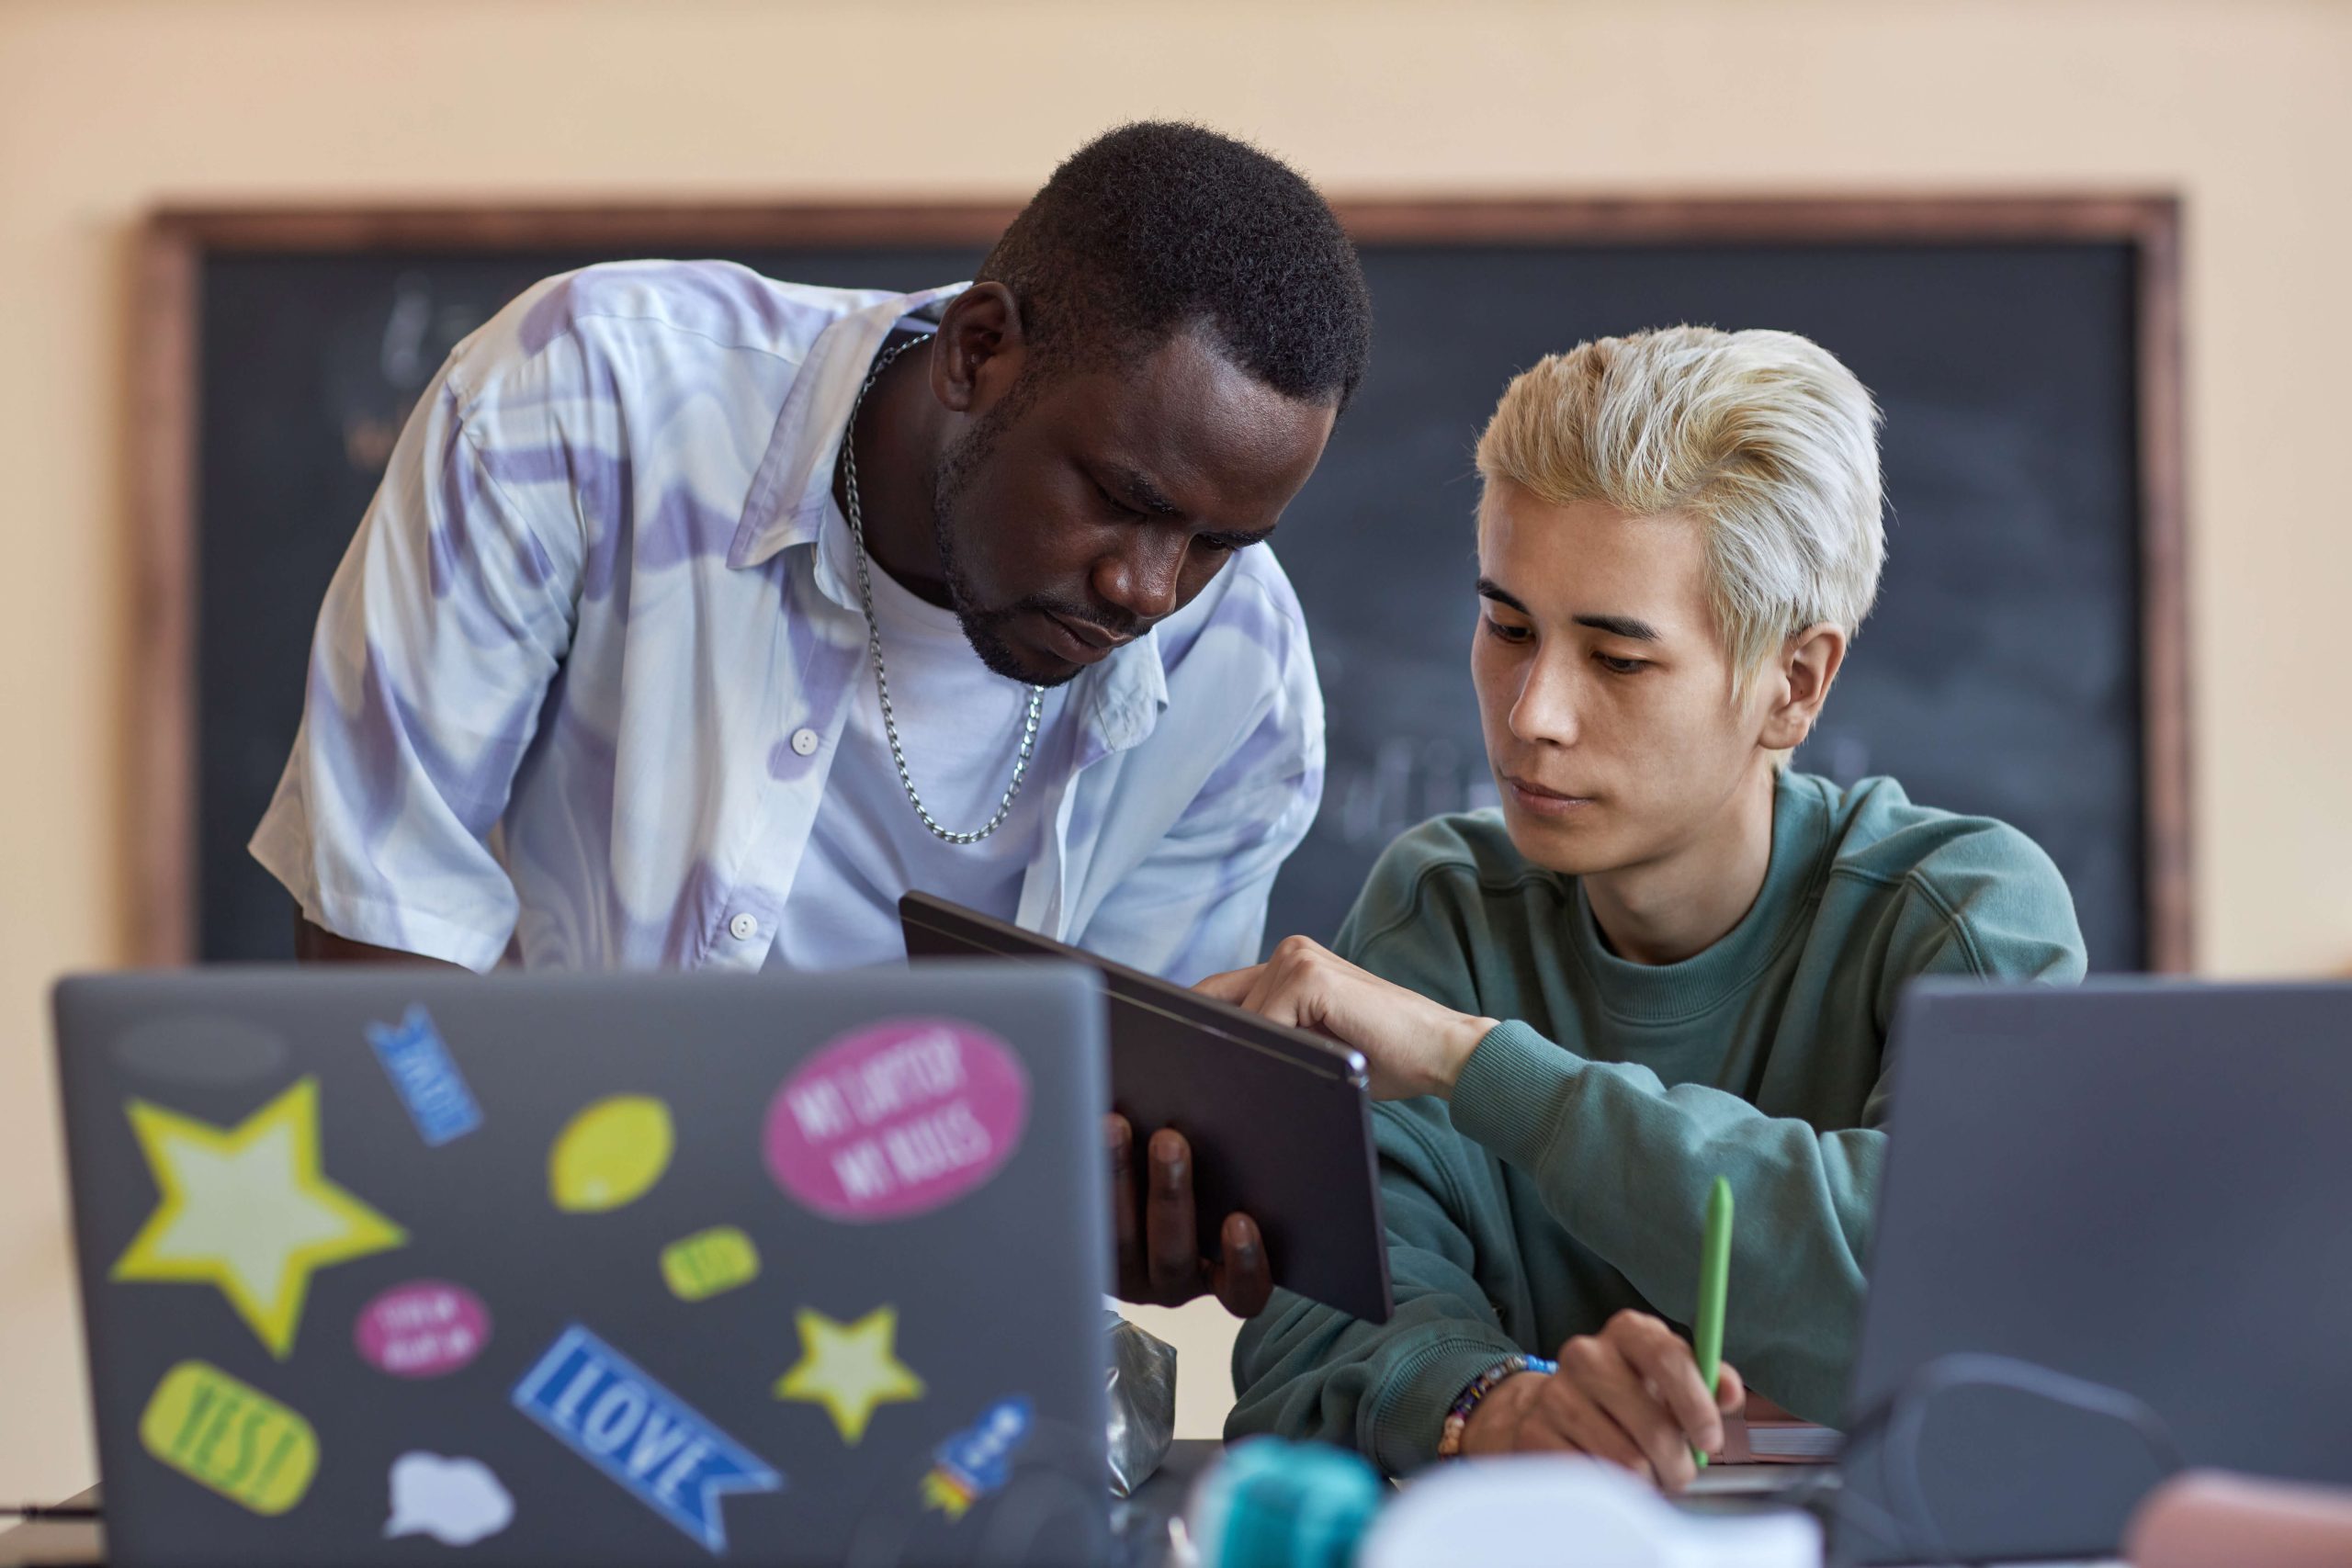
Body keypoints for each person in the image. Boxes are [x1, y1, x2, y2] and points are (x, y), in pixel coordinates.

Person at [252, 121, 1374, 1316]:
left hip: (909, 1374)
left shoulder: (1239, 677)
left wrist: (1128, 1222)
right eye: (1119, 498)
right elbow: (384, 946)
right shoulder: (575, 398)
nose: (1149, 590)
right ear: (978, 351)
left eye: (1217, 542)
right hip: (515, 1291)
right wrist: (516, 1306)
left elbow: (1105, 1148)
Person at [1204, 326, 2086, 1483]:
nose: (1532, 715)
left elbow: (1934, 1301)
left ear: (1793, 682)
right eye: (1507, 627)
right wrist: (1498, 1406)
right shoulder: (1439, 912)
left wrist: (1481, 1068)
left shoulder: (1969, 915)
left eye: (1617, 660)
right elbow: (1310, 1328)